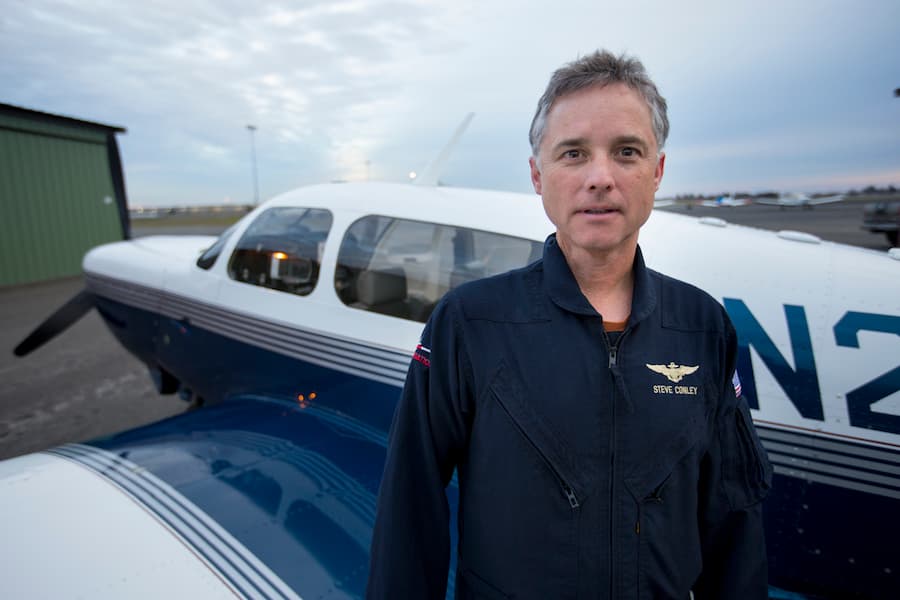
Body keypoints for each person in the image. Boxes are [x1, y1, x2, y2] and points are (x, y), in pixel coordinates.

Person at [367, 50, 772, 599]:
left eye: (626, 152)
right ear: (539, 175)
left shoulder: (704, 327)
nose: (600, 178)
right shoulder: (468, 323)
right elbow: (409, 507)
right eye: (573, 154)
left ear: (657, 172)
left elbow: (733, 517)